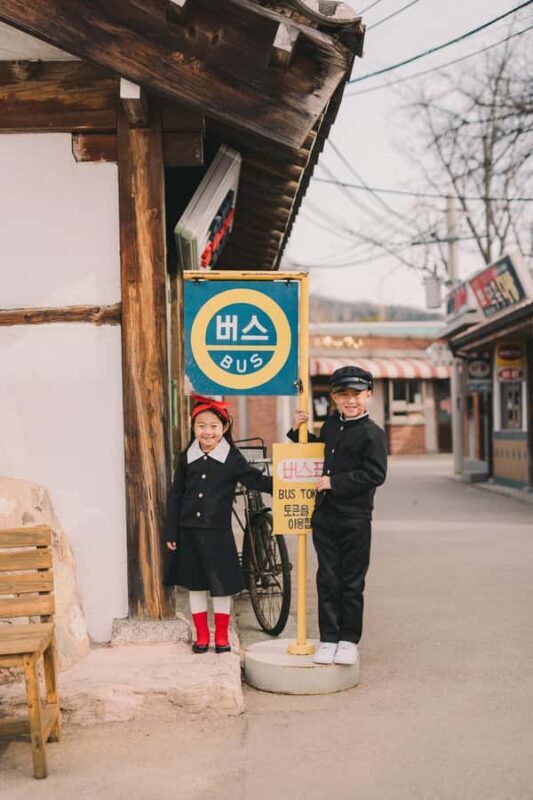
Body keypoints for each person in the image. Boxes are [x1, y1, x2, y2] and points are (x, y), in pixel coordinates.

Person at [288, 366, 387, 666]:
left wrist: (335, 482)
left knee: (352, 581)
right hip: (325, 516)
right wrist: (298, 430)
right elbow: (319, 451)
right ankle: (329, 638)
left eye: (356, 394)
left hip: (356, 518)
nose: (350, 400)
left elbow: (376, 474)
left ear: (368, 395)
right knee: (327, 578)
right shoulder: (331, 425)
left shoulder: (373, 434)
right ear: (333, 398)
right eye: (342, 395)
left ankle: (348, 640)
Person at [164, 395, 272, 654]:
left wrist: (286, 484)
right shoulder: (186, 457)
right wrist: (171, 530)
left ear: (224, 428)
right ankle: (202, 635)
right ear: (193, 428)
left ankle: (221, 635)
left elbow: (254, 479)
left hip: (218, 533)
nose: (207, 431)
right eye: (201, 426)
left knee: (221, 586)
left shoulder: (231, 458)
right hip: (188, 531)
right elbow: (176, 494)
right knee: (195, 584)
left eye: (213, 426)